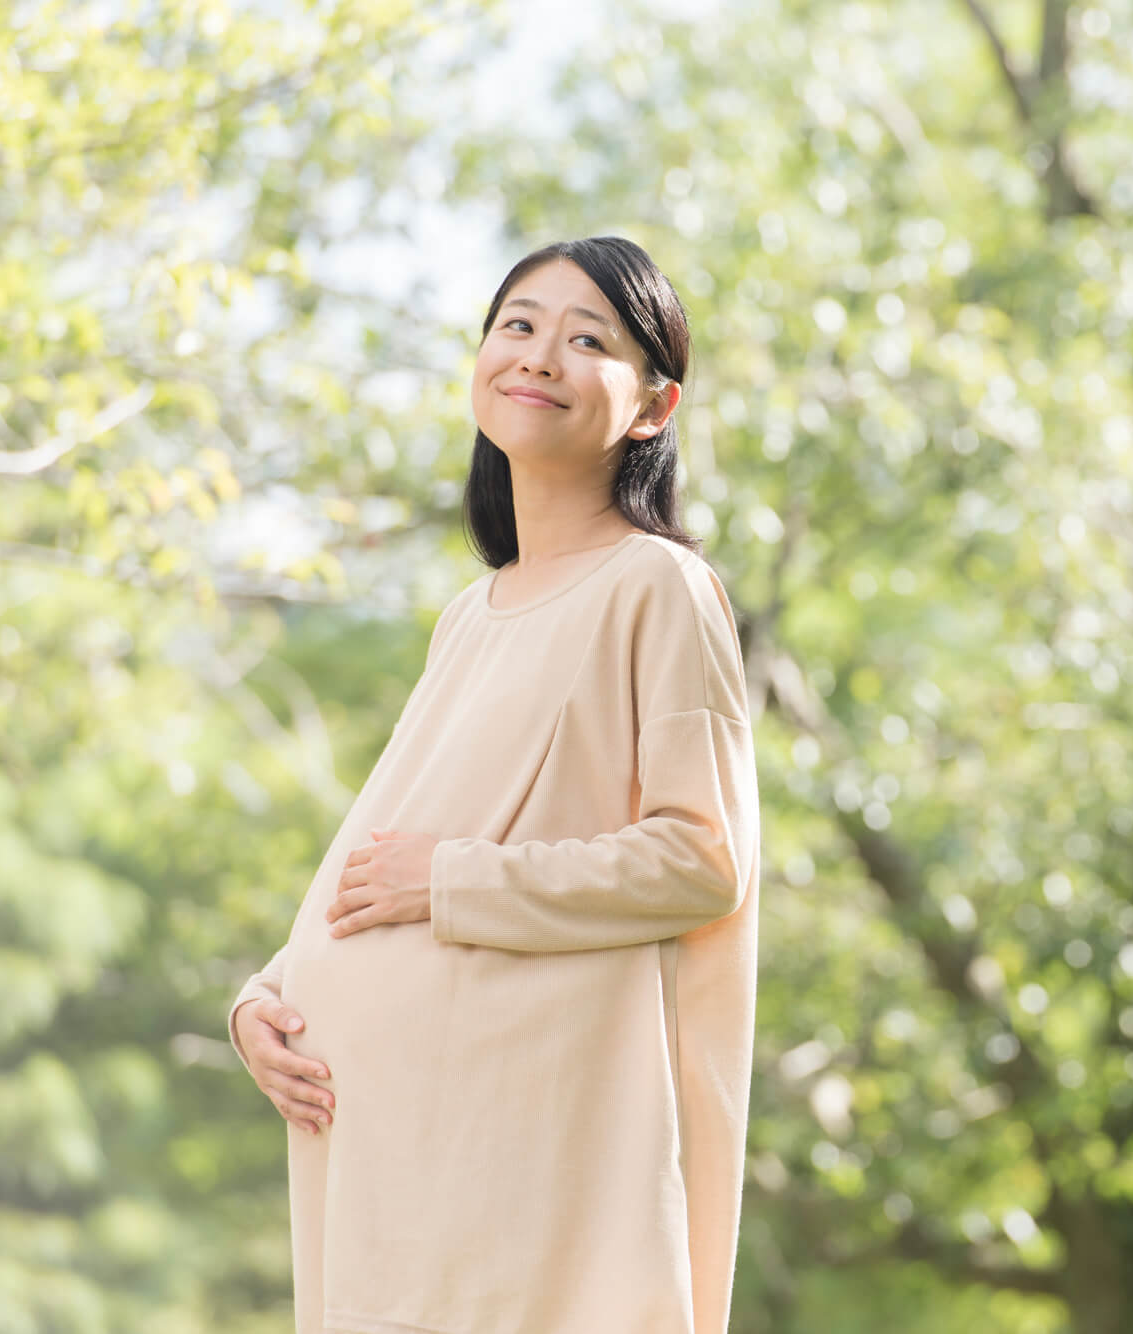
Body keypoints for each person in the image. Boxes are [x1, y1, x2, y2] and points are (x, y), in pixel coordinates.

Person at [225, 235, 760, 1334]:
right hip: (392, 1154)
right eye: (517, 323)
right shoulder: (469, 614)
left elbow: (704, 858)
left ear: (653, 407)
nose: (540, 354)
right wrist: (269, 998)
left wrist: (459, 881)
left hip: (533, 1155)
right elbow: (389, 844)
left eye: (587, 337)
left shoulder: (657, 587)